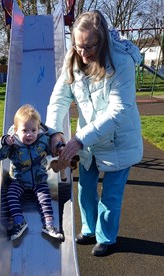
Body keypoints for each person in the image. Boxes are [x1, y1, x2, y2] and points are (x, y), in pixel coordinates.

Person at [46, 10, 143, 256]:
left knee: (111, 195)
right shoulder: (74, 59)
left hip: (118, 140)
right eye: (79, 46)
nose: (83, 53)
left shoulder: (121, 62)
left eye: (89, 47)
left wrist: (79, 139)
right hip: (89, 140)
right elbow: (58, 100)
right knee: (85, 190)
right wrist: (54, 133)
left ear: (102, 40)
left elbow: (119, 110)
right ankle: (90, 228)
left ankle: (107, 237)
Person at [0, 104, 63, 241]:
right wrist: (3, 142)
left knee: (45, 200)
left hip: (39, 180)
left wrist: (59, 146)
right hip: (19, 180)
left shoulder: (42, 141)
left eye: (33, 130)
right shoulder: (12, 143)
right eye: (25, 130)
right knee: (11, 195)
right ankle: (19, 222)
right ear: (16, 130)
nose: (29, 134)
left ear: (38, 129)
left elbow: (53, 147)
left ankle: (49, 225)